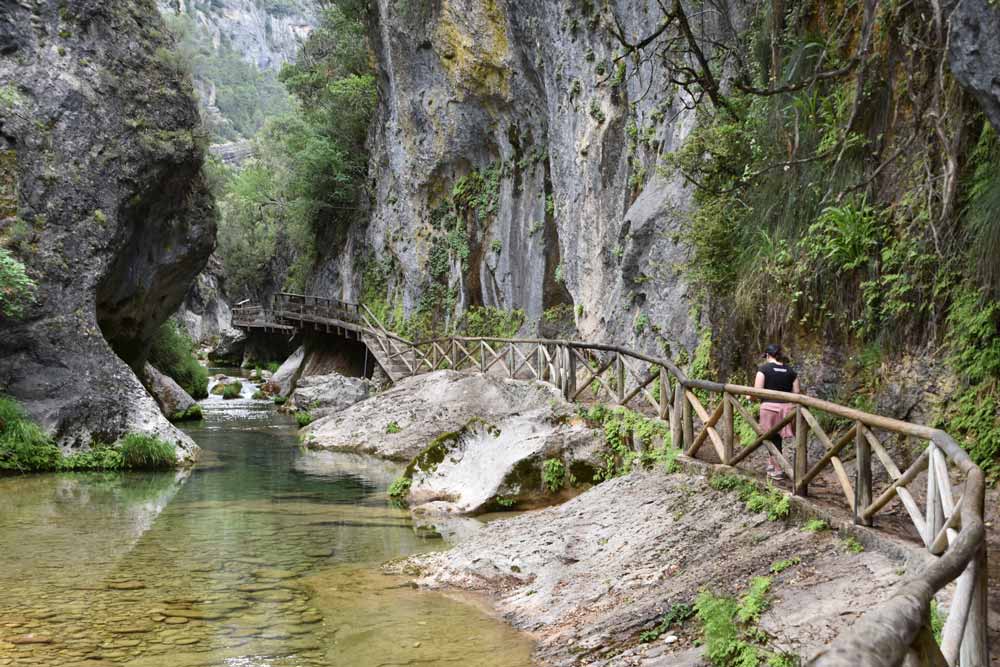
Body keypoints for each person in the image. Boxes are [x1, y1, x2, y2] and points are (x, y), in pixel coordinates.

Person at [754, 343, 800, 480]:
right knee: (777, 438)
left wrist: (749, 396)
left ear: (768, 355)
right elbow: (797, 392)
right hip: (787, 409)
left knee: (770, 438)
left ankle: (778, 470)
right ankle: (772, 464)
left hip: (769, 408)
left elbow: (757, 390)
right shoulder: (791, 371)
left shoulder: (763, 369)